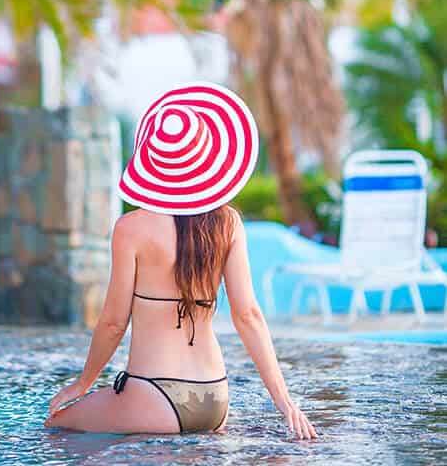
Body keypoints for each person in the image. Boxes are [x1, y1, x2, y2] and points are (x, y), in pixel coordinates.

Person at [45, 82, 317, 440]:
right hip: (215, 398)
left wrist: (82, 383)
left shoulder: (132, 229)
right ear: (207, 160)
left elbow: (112, 323)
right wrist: (285, 402)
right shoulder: (228, 224)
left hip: (154, 396)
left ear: (154, 160)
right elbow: (248, 316)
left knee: (56, 429)